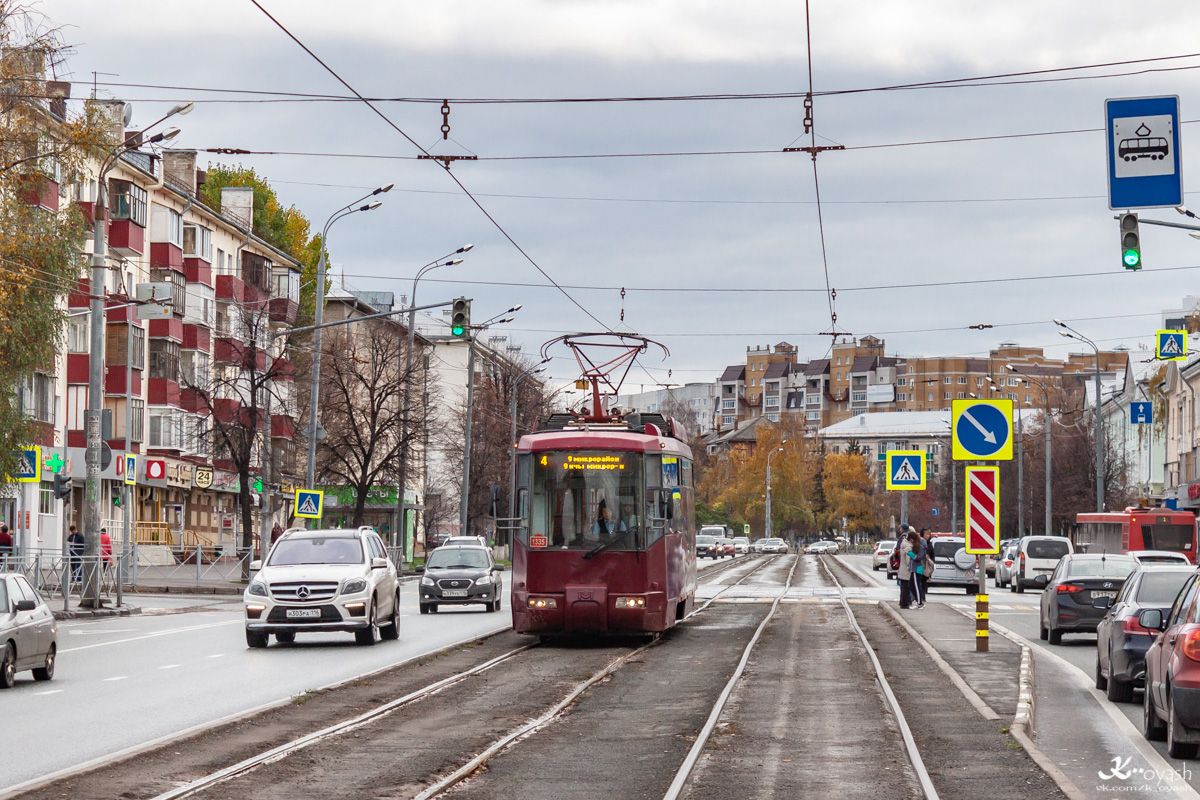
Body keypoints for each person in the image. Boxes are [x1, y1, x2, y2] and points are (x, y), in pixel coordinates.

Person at [908, 529, 926, 609]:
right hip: (914, 568)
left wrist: (910, 554)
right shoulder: (916, 546)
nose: (910, 541)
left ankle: (919, 603)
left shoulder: (920, 547)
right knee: (911, 585)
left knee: (916, 585)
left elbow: (919, 557)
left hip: (917, 568)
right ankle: (918, 600)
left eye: (910, 540)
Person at [897, 531, 914, 608]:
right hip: (907, 571)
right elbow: (908, 560)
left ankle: (903, 602)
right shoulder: (908, 547)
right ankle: (905, 603)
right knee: (906, 588)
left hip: (902, 569)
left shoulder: (903, 544)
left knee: (904, 588)